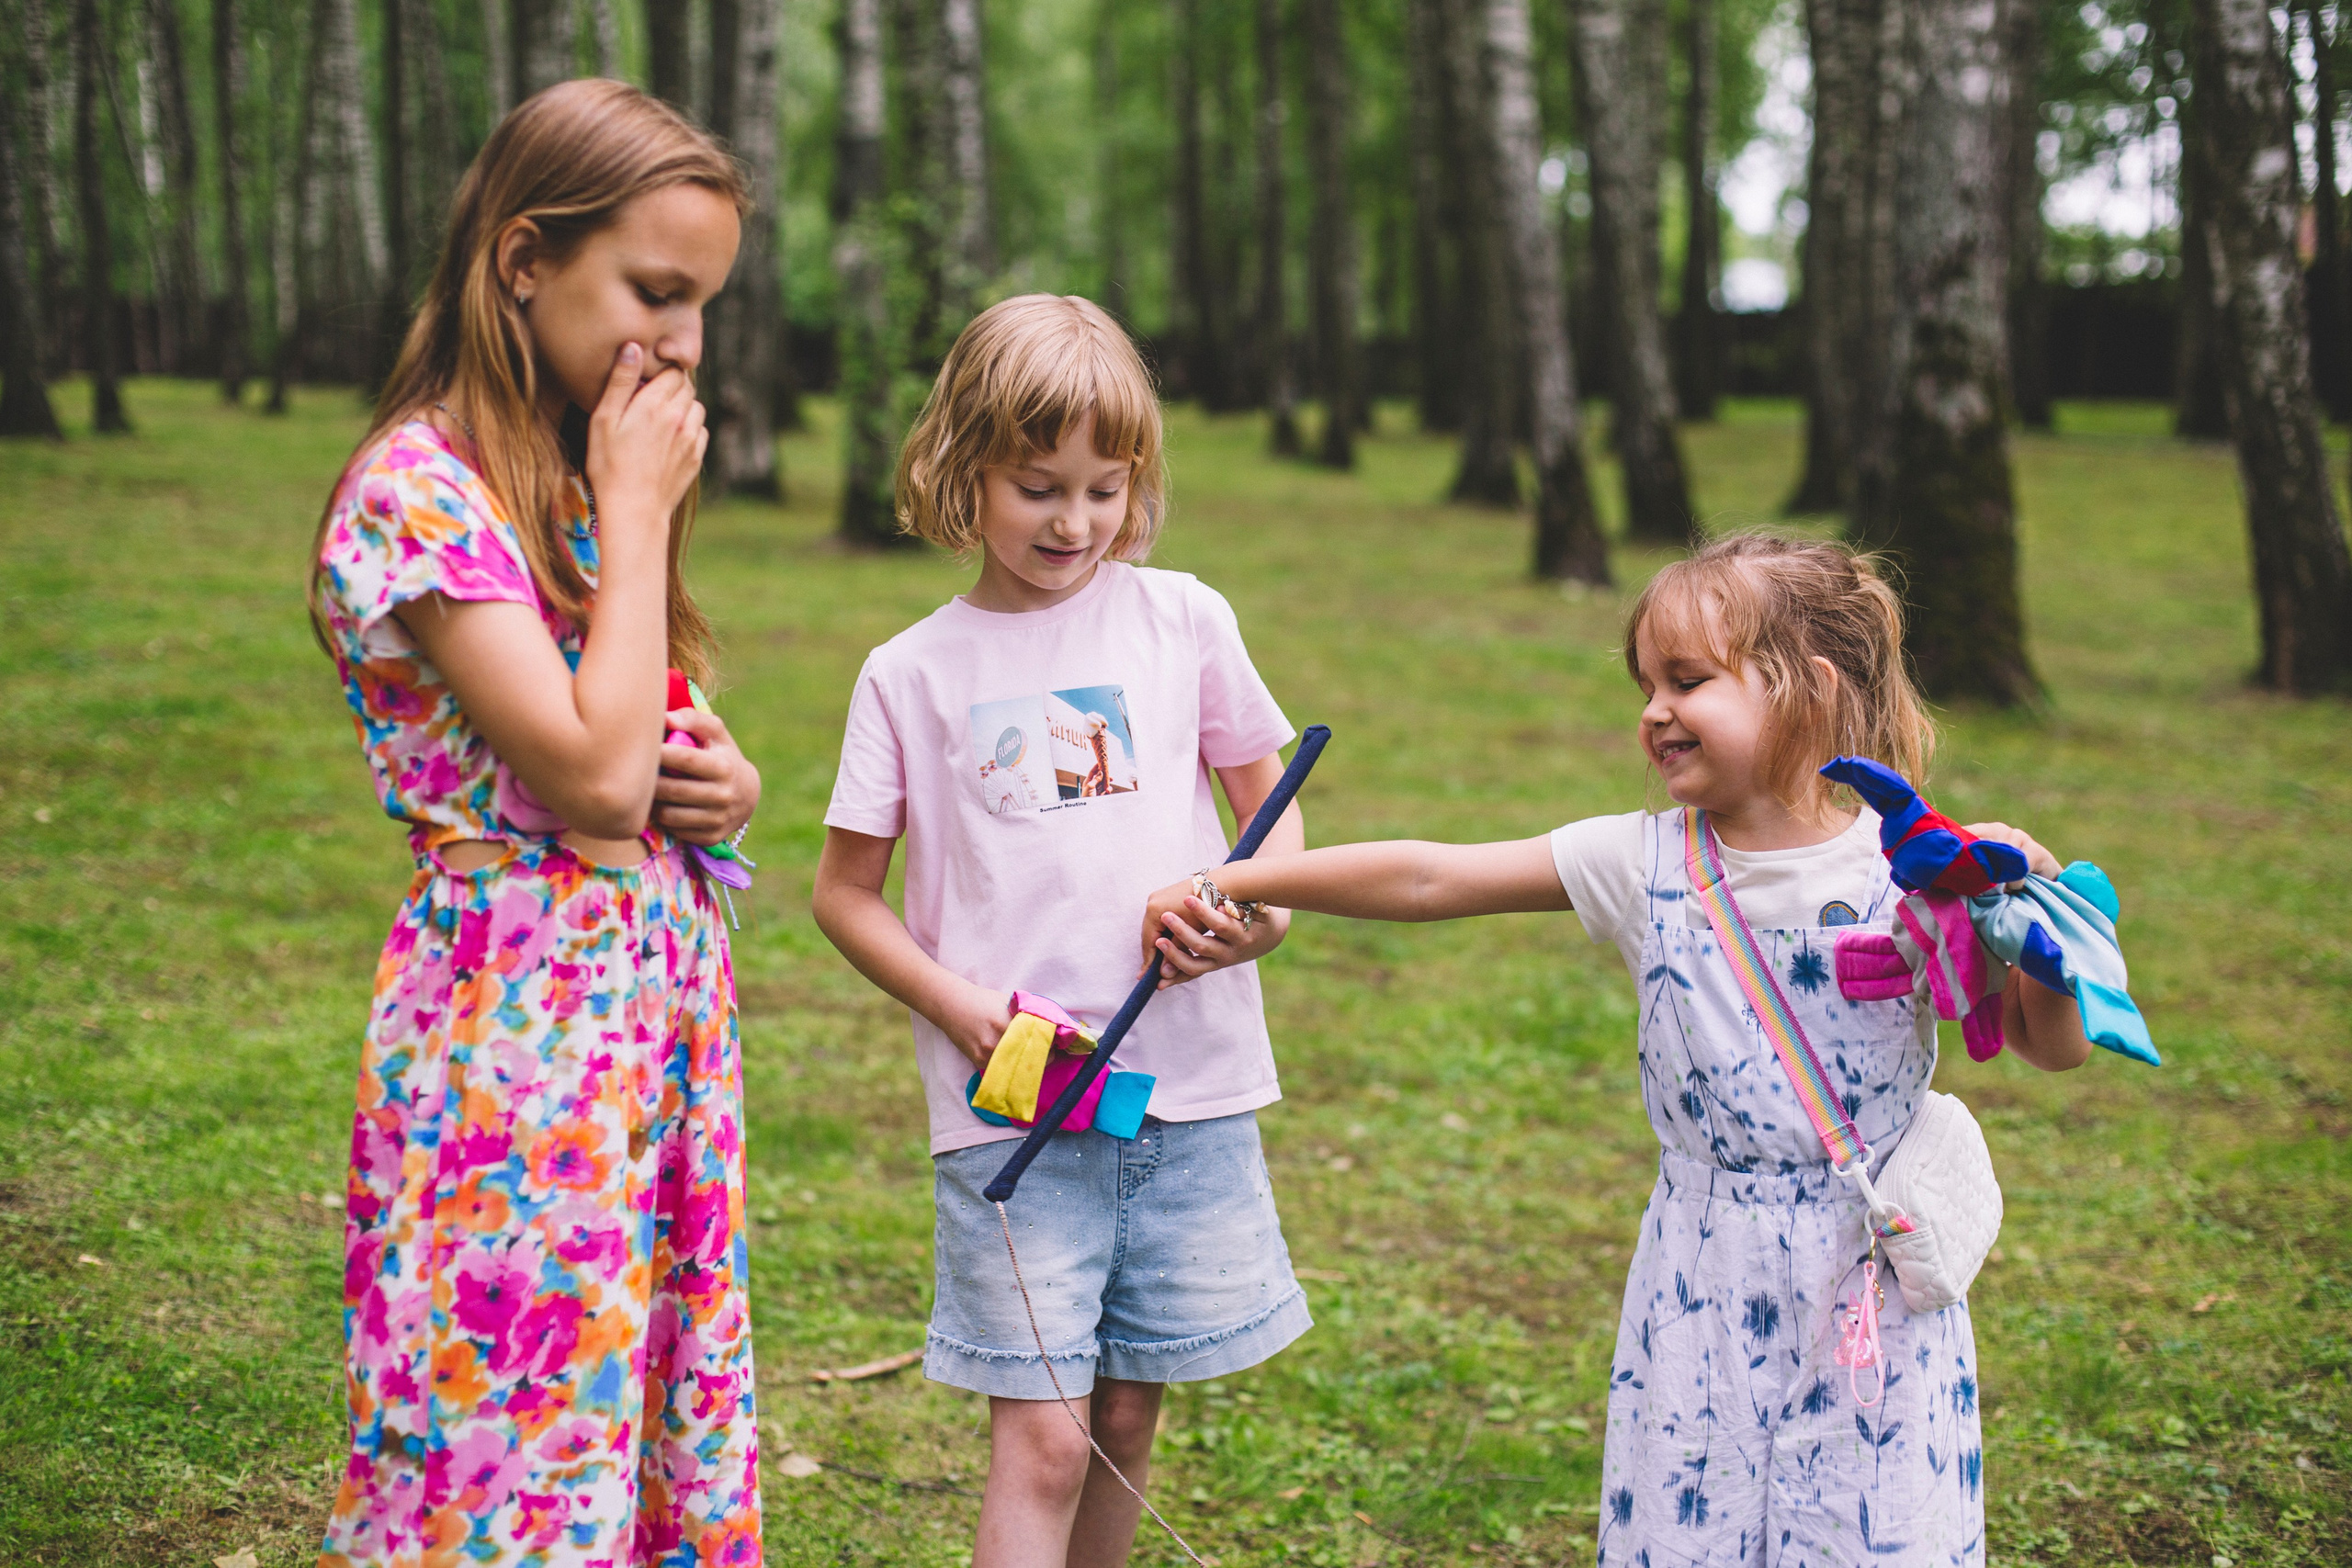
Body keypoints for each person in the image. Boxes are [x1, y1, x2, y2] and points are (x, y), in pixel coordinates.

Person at [1139, 534, 2096, 1565]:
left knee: (1869, 1529)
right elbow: (1432, 877)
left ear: (1810, 691)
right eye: (1647, 686)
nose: (1654, 711)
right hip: (1701, 1274)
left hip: (1870, 1280)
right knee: (1690, 1524)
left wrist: (2036, 923)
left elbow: (2051, 1047)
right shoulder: (1642, 862)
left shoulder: (1913, 872)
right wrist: (1240, 880)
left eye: (1688, 680)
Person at [306, 80, 764, 1566]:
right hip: (520, 1029)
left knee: (638, 1400)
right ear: (523, 261)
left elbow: (642, 738)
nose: (685, 342)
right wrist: (635, 515)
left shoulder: (562, 477)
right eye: (658, 292)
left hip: (645, 1014)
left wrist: (726, 785)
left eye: (704, 306)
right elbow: (587, 779)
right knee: (514, 1430)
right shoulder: (421, 494)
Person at [812, 294, 1313, 1568]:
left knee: (1126, 1418)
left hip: (1184, 1092)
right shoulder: (910, 672)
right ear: (961, 466)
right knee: (1045, 1438)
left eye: (1104, 488)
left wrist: (1246, 920)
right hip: (1015, 1107)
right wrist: (961, 1006)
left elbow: (1276, 831)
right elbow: (844, 895)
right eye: (1038, 487)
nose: (1074, 521)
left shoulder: (1183, 619)